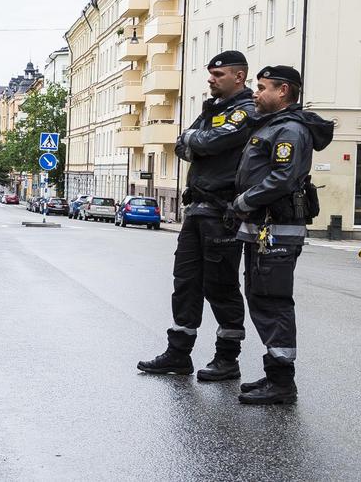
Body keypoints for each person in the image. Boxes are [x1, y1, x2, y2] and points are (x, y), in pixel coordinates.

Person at [138, 51, 256, 380]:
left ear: (239, 77)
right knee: (186, 283)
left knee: (220, 286)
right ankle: (178, 354)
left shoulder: (245, 111)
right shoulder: (212, 110)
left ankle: (227, 358)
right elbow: (184, 145)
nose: (211, 79)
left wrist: (197, 141)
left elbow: (212, 143)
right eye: (210, 74)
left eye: (218, 74)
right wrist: (197, 141)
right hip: (197, 209)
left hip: (223, 211)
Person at [229, 66, 333, 405]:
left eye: (262, 87)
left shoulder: (289, 130)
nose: (256, 93)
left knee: (273, 302)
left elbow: (282, 179)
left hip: (276, 231)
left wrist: (244, 200)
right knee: (261, 299)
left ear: (283, 91)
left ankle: (282, 383)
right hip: (264, 229)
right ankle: (275, 374)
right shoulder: (272, 126)